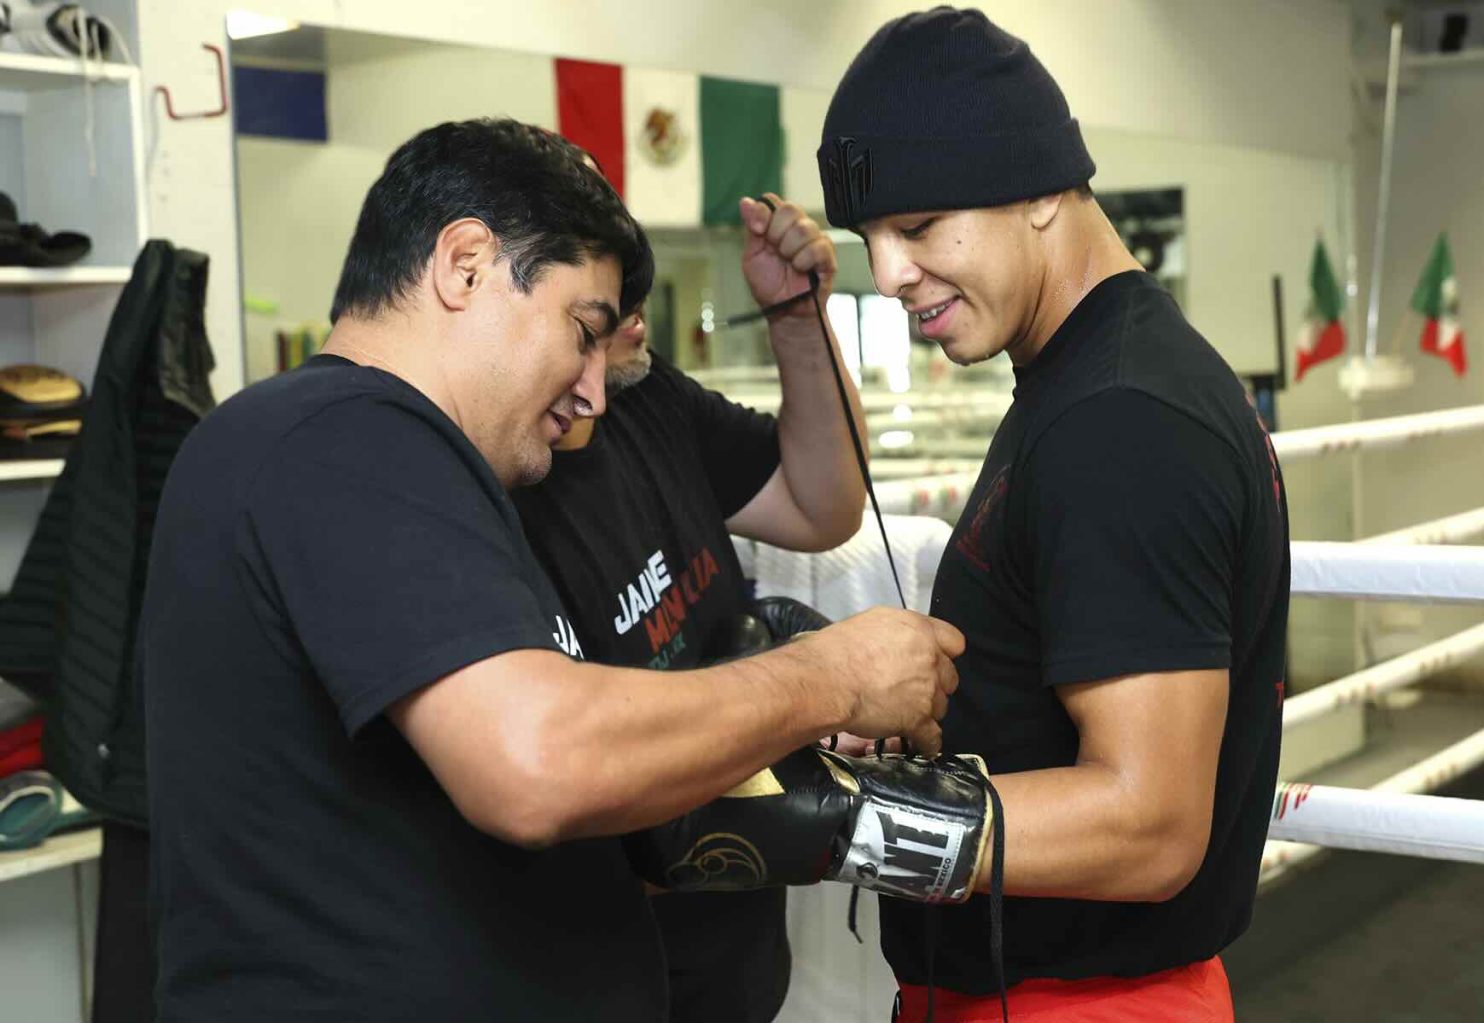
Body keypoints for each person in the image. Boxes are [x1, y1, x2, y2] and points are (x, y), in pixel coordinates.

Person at [139, 117, 964, 1022]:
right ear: (464, 265)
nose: (593, 389)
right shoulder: (344, 434)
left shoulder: (397, 458)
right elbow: (533, 760)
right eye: (582, 331)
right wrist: (830, 677)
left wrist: (755, 738)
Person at [817, 9, 1290, 1021]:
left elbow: (1152, 825)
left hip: (1086, 1003)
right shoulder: (1081, 382)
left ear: (1036, 190)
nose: (888, 272)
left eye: (917, 224)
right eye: (871, 237)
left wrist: (855, 821)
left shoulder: (1121, 420)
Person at [511, 188, 861, 1022]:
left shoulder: (643, 394)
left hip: (733, 955)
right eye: (598, 302)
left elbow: (824, 505)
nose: (631, 307)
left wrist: (796, 317)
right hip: (594, 974)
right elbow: (540, 780)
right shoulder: (484, 487)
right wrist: (811, 687)